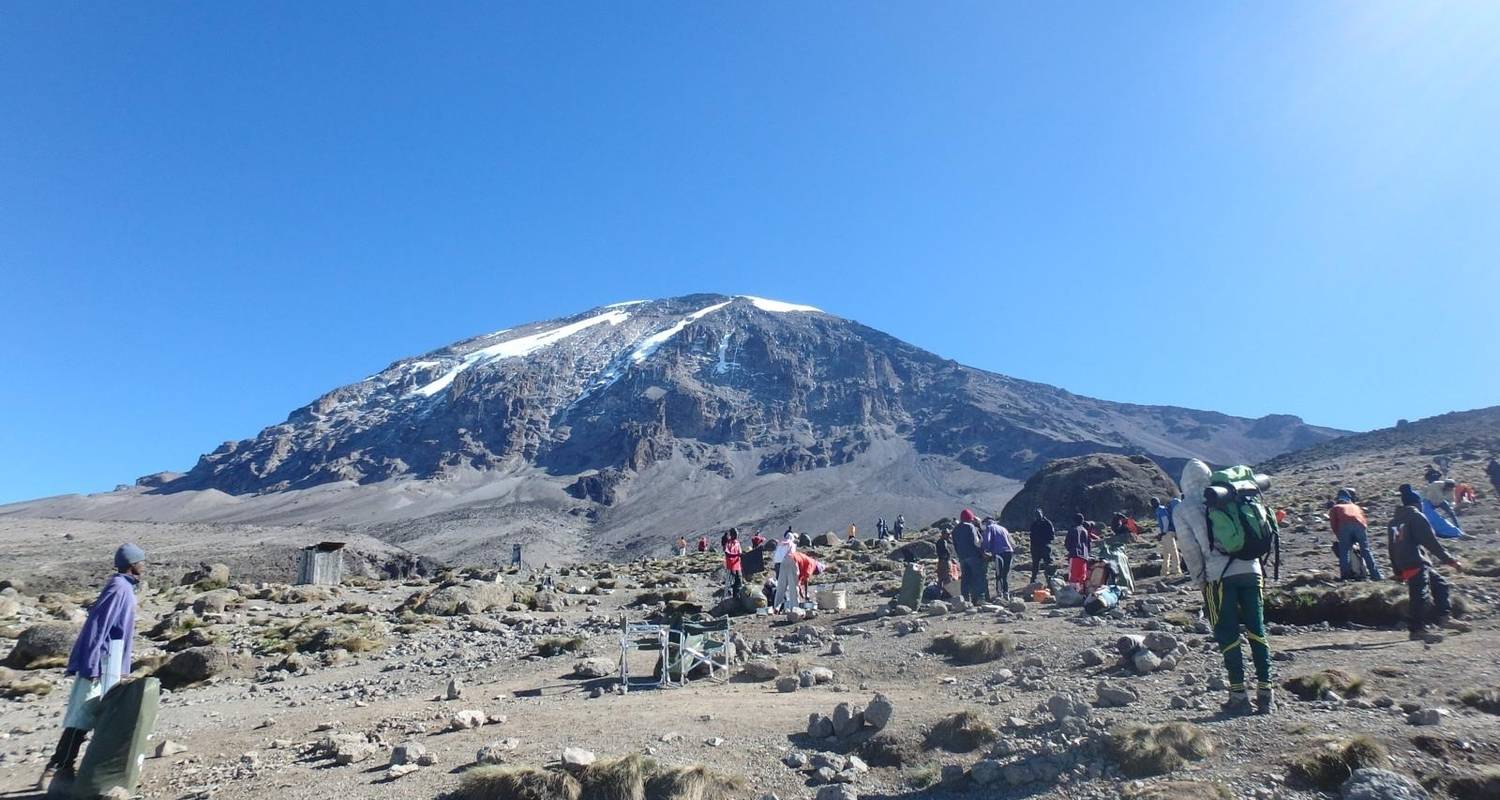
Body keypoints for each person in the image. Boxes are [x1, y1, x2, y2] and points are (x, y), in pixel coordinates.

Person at [1174, 460, 1273, 716]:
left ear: (1184, 482)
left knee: (1227, 631)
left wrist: (1201, 581)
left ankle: (1238, 695)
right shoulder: (1235, 495)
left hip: (1219, 576)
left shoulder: (1185, 508)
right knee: (1257, 629)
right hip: (1252, 570)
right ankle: (1266, 693)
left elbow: (1191, 550)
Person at [41, 544, 145, 786]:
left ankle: (90, 770)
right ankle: (58, 768)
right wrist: (91, 664)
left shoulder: (124, 587)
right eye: (141, 562)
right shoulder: (119, 588)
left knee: (98, 715)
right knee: (83, 715)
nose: (144, 566)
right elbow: (99, 627)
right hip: (100, 665)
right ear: (132, 564)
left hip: (109, 663)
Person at [1390, 485, 1468, 642]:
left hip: (1407, 562)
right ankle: (1417, 630)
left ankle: (1444, 618)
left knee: (1440, 583)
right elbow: (1431, 543)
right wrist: (1451, 561)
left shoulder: (1394, 521)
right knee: (1420, 596)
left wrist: (1397, 571)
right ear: (1417, 503)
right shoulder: (1417, 517)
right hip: (1415, 561)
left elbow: (1391, 547)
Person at [1330, 489, 1382, 581]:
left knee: (1344, 552)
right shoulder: (1356, 507)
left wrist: (1341, 537)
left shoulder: (1336, 507)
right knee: (1366, 550)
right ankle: (1376, 575)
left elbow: (1334, 524)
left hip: (1344, 525)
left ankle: (1345, 576)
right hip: (1360, 525)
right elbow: (1364, 520)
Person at [984, 517, 1015, 599]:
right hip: (1009, 551)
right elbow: (1011, 541)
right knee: (1005, 573)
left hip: (999, 553)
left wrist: (986, 550)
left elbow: (987, 539)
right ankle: (1006, 592)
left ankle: (1000, 593)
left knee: (999, 574)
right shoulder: (1003, 528)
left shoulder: (989, 528)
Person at [1151, 496, 1181, 577]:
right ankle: (1164, 571)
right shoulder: (1161, 509)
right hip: (1166, 534)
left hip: (1167, 533)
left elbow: (1165, 521)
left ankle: (1176, 570)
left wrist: (1163, 532)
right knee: (1166, 553)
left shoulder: (1161, 510)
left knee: (1173, 552)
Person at [1065, 513, 1094, 588]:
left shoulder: (1072, 529)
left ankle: (1073, 595)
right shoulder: (1085, 531)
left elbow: (1067, 543)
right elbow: (1089, 545)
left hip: (1075, 555)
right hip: (1084, 557)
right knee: (1082, 577)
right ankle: (1081, 593)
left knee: (1073, 577)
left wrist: (1070, 550)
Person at [1028, 508, 1056, 584]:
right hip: (1036, 547)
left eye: (1039, 514)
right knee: (1035, 565)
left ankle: (1050, 580)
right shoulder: (1034, 524)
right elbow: (1031, 535)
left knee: (1047, 564)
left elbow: (1052, 535)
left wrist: (1046, 541)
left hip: (1044, 546)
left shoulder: (1047, 523)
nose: (1038, 516)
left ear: (1042, 514)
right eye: (1036, 514)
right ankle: (1033, 580)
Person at [772, 531, 798, 612]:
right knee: (792, 586)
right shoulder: (792, 544)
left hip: (781, 564)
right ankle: (794, 607)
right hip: (791, 563)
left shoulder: (780, 544)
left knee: (781, 587)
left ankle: (776, 606)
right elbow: (793, 554)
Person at [723, 530, 744, 596]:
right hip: (730, 565)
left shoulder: (737, 543)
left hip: (737, 564)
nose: (737, 535)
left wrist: (741, 555)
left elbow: (740, 552)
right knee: (732, 580)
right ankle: (726, 595)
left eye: (737, 534)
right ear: (732, 535)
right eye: (735, 534)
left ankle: (736, 595)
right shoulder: (728, 543)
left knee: (739, 580)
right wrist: (737, 555)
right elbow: (727, 554)